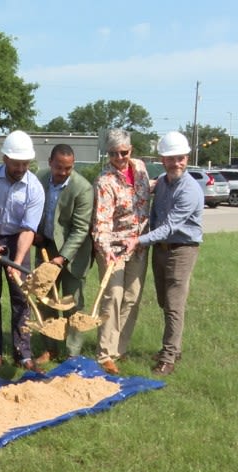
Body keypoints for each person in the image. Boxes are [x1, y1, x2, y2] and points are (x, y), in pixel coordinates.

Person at [123, 132, 202, 375]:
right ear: (163, 159)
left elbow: (169, 227)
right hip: (161, 249)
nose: (176, 163)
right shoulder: (163, 183)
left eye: (180, 158)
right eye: (171, 158)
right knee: (164, 301)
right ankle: (173, 348)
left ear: (186, 158)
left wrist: (139, 240)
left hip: (182, 250)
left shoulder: (189, 189)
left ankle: (168, 357)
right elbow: (154, 215)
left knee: (174, 304)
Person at [0, 130, 45, 373]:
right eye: (16, 163)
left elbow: (28, 229)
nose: (21, 167)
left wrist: (16, 264)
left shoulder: (34, 188)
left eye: (25, 163)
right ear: (4, 158)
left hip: (19, 238)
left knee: (20, 296)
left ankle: (23, 352)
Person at [92, 128, 151, 375]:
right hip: (113, 247)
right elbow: (101, 221)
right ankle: (104, 353)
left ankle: (119, 349)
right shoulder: (105, 181)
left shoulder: (140, 168)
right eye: (113, 153)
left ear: (131, 151)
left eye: (123, 152)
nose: (119, 158)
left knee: (131, 297)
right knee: (113, 297)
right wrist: (106, 249)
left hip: (138, 244)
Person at [33, 144, 94, 364]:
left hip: (73, 254)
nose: (63, 172)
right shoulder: (38, 179)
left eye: (68, 168)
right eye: (59, 167)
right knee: (45, 300)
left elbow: (80, 230)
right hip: (46, 248)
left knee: (73, 303)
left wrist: (61, 258)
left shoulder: (83, 188)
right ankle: (50, 348)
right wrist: (36, 233)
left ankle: (73, 353)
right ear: (50, 162)